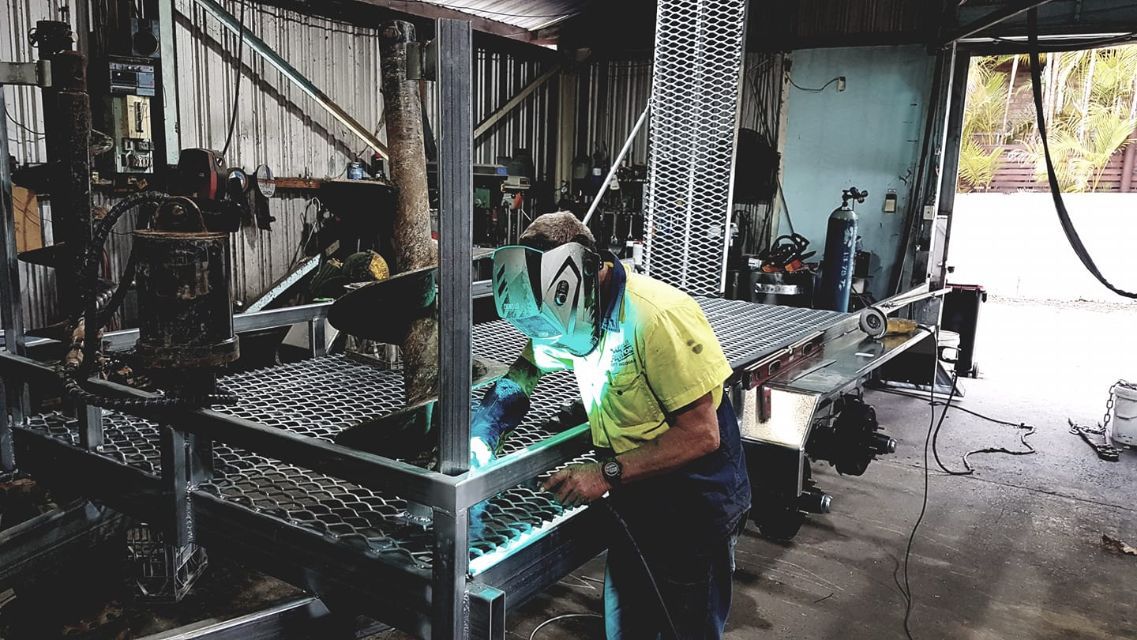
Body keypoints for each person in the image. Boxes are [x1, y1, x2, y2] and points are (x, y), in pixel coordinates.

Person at [471, 212, 751, 640]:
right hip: (635, 493)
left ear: (585, 273)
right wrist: (484, 432)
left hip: (693, 501)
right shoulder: (566, 311)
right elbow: (526, 370)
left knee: (686, 628)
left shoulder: (657, 317)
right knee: (627, 625)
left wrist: (605, 473)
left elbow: (701, 435)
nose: (554, 336)